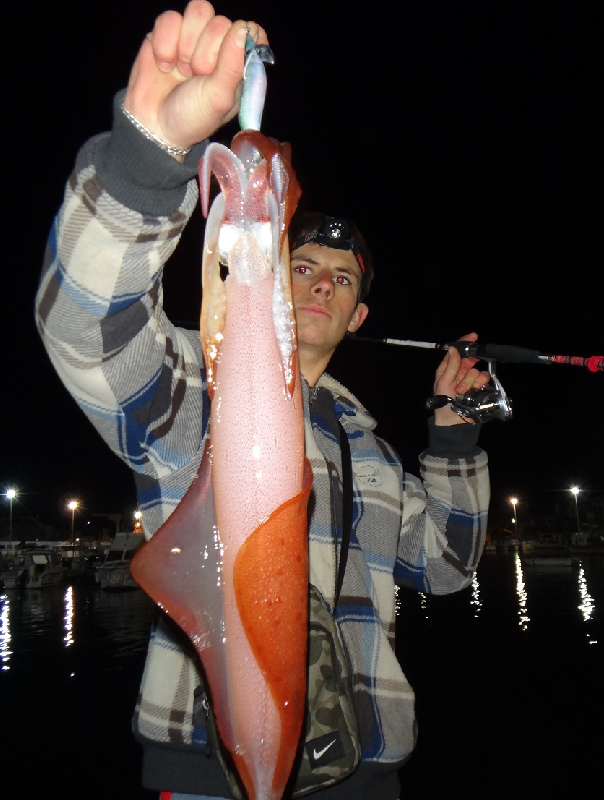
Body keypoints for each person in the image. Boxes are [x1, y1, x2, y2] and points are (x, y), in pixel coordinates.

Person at [35, 3, 491, 798]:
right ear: (271, 273)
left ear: (357, 319)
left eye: (341, 281)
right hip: (205, 766)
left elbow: (447, 568)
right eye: (304, 263)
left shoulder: (372, 450)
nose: (319, 282)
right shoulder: (185, 397)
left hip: (362, 764)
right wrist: (148, 159)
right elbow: (83, 323)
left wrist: (453, 434)